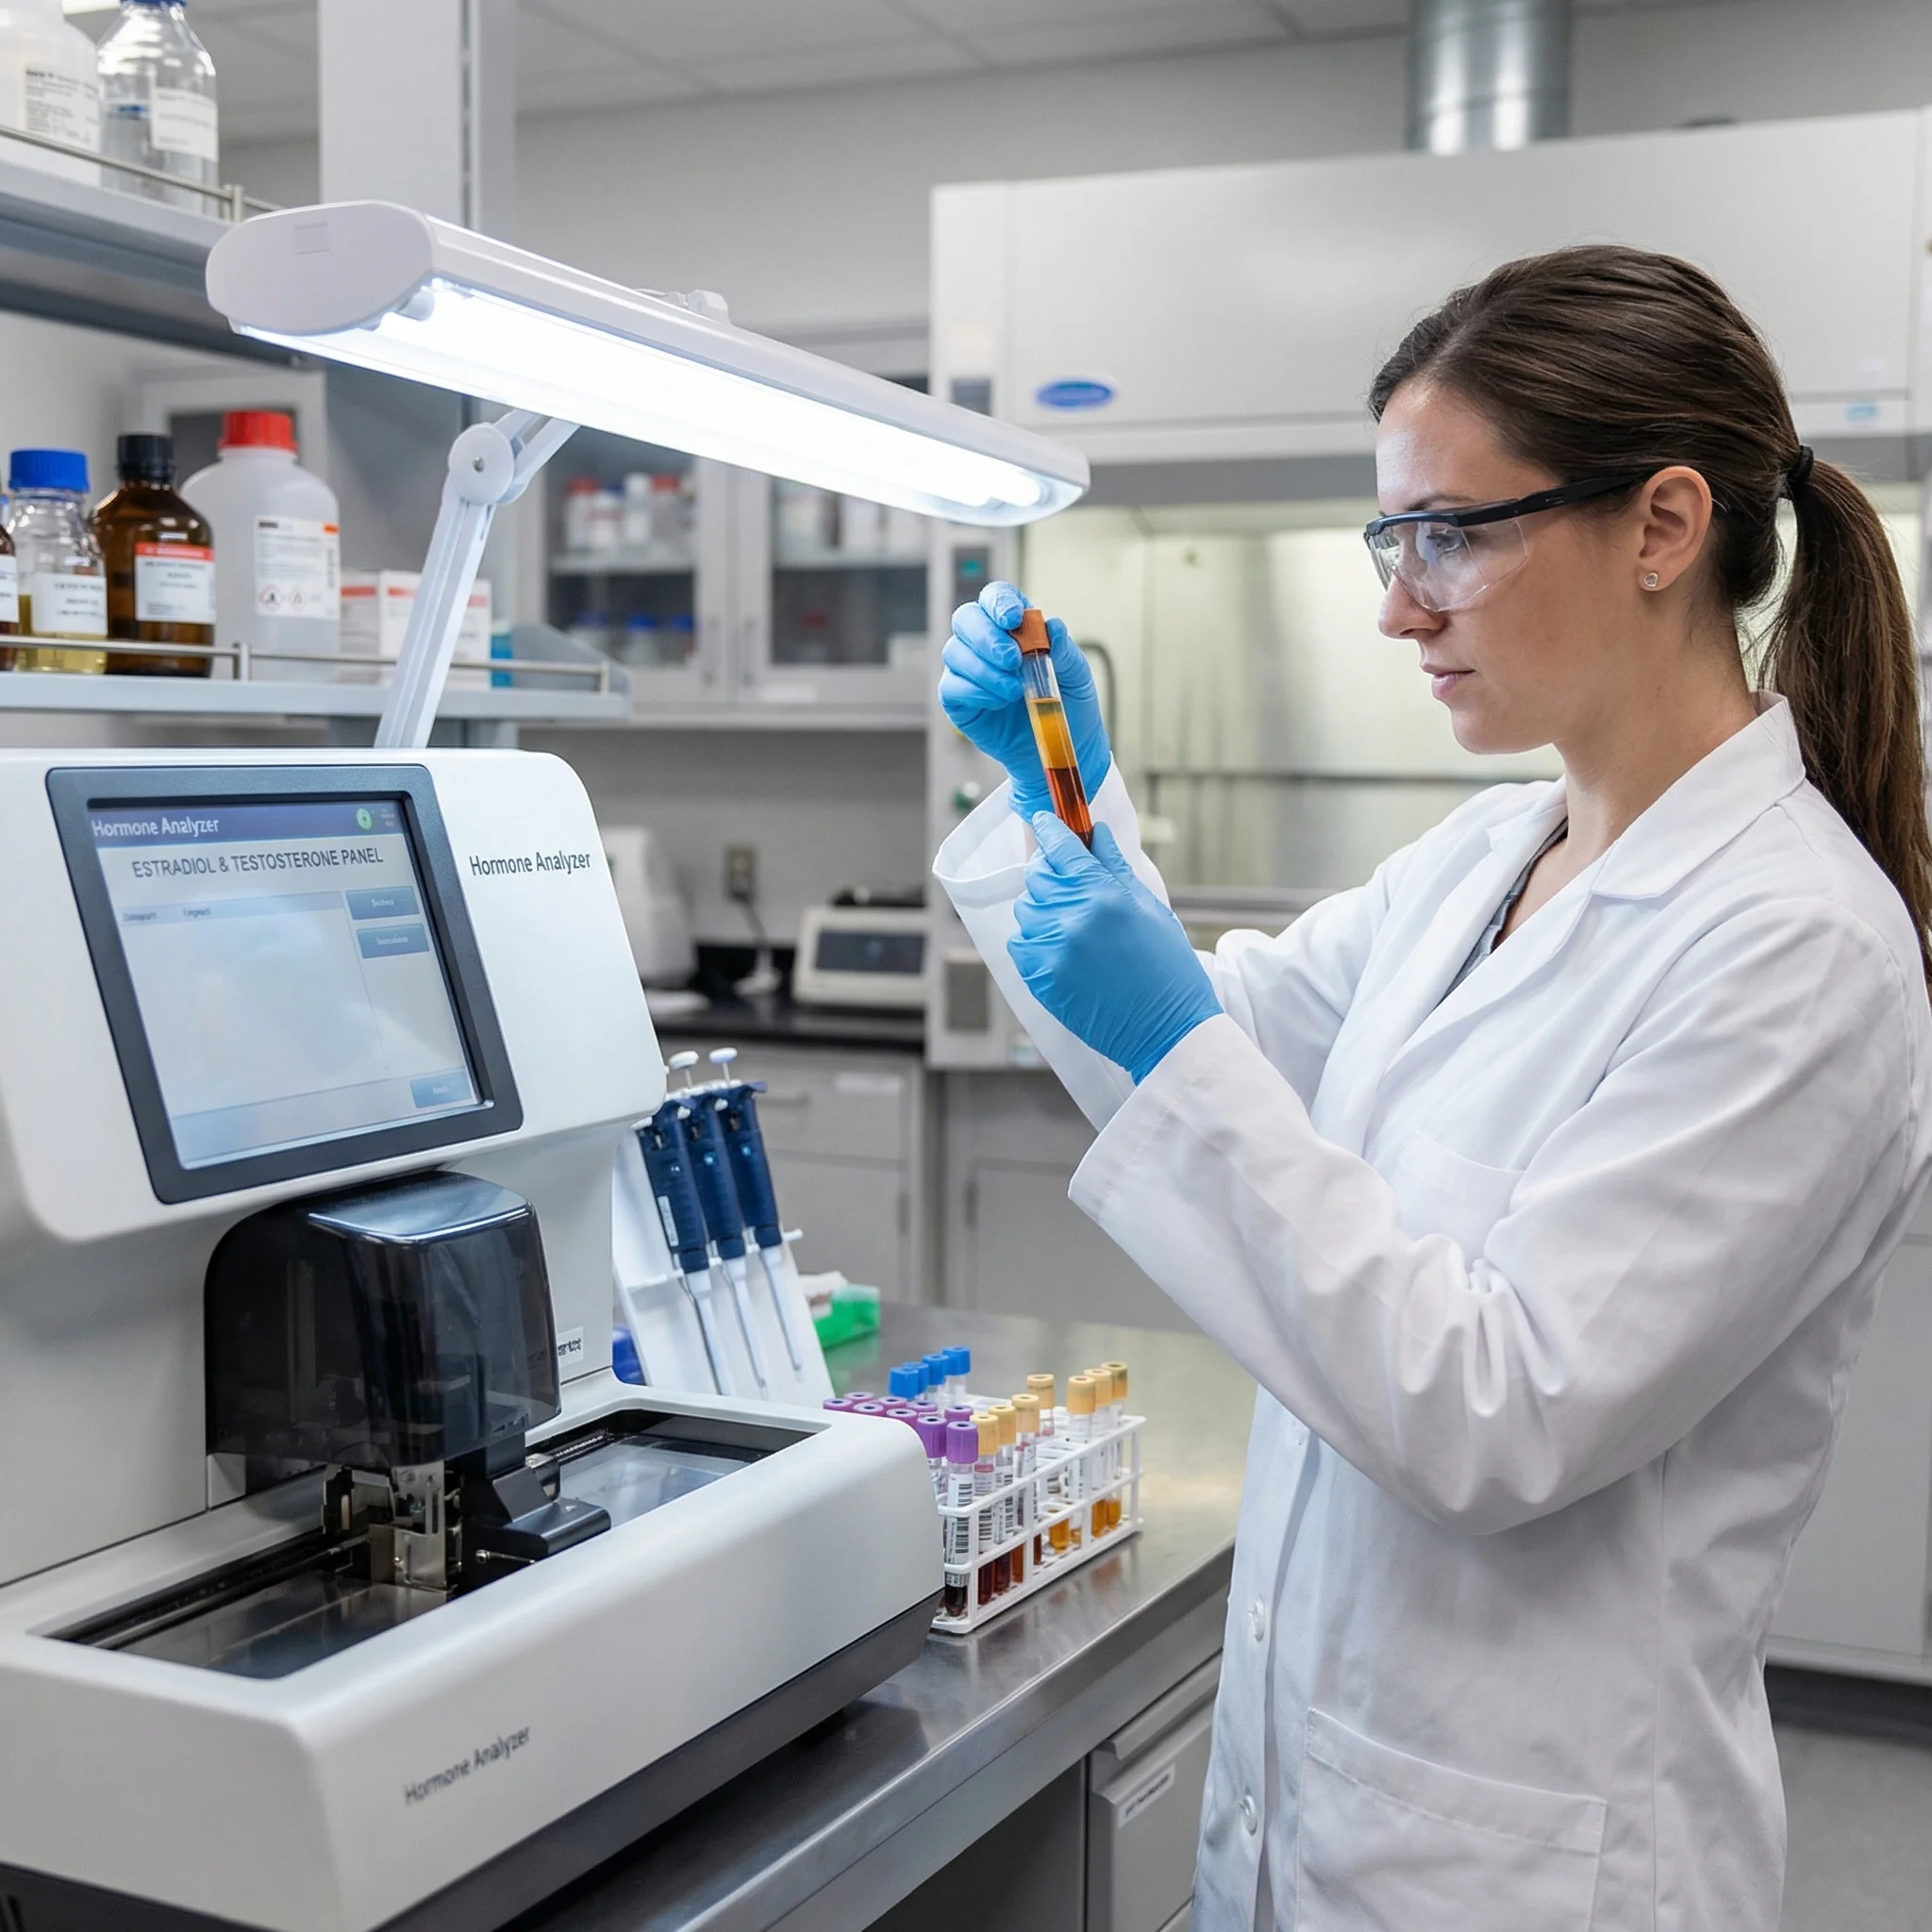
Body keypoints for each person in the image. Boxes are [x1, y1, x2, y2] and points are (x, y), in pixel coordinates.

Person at [932, 245, 1932, 1930]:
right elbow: (1219, 1046)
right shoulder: (1495, 847)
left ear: (1663, 528)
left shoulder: (1798, 951)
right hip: (1339, 1790)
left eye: (1452, 535)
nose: (1402, 604)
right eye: (1392, 540)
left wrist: (1170, 1029)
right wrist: (1065, 808)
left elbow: (1499, 1412)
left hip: (1540, 1858)